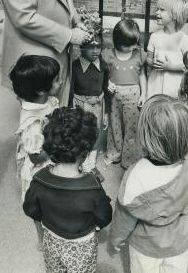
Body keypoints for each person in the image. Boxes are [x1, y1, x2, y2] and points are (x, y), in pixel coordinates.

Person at [109, 95, 188, 273]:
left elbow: (124, 218)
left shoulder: (135, 175)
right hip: (180, 242)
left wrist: (116, 238)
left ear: (146, 137)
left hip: (145, 248)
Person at [23, 106, 112, 273]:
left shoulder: (39, 179)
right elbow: (104, 217)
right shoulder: (92, 187)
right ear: (85, 153)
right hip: (82, 246)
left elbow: (30, 208)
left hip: (52, 241)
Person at [9, 55, 61, 248]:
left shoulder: (44, 100)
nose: (61, 81)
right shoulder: (32, 123)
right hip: (40, 167)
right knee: (41, 207)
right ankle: (42, 237)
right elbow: (36, 156)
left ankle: (54, 230)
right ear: (40, 90)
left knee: (54, 204)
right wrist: (58, 144)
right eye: (57, 79)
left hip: (51, 155)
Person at [103, 19, 147, 169]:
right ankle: (114, 153)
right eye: (129, 44)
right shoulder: (108, 55)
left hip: (133, 95)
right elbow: (104, 74)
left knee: (131, 127)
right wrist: (107, 84)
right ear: (118, 41)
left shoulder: (139, 54)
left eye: (135, 43)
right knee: (115, 126)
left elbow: (142, 75)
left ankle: (129, 159)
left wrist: (144, 94)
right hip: (115, 96)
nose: (133, 47)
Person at [69, 34, 111, 173]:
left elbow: (106, 88)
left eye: (98, 47)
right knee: (81, 133)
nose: (95, 51)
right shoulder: (75, 67)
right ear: (81, 48)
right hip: (80, 106)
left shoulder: (103, 65)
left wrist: (106, 112)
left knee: (96, 133)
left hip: (97, 106)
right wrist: (70, 108)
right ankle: (80, 162)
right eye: (91, 47)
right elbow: (70, 89)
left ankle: (91, 164)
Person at [147, 0, 188, 98]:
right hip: (155, 84)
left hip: (174, 86)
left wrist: (170, 66)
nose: (157, 12)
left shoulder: (184, 40)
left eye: (162, 10)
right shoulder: (154, 36)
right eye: (157, 9)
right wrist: (152, 62)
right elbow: (148, 59)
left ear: (175, 15)